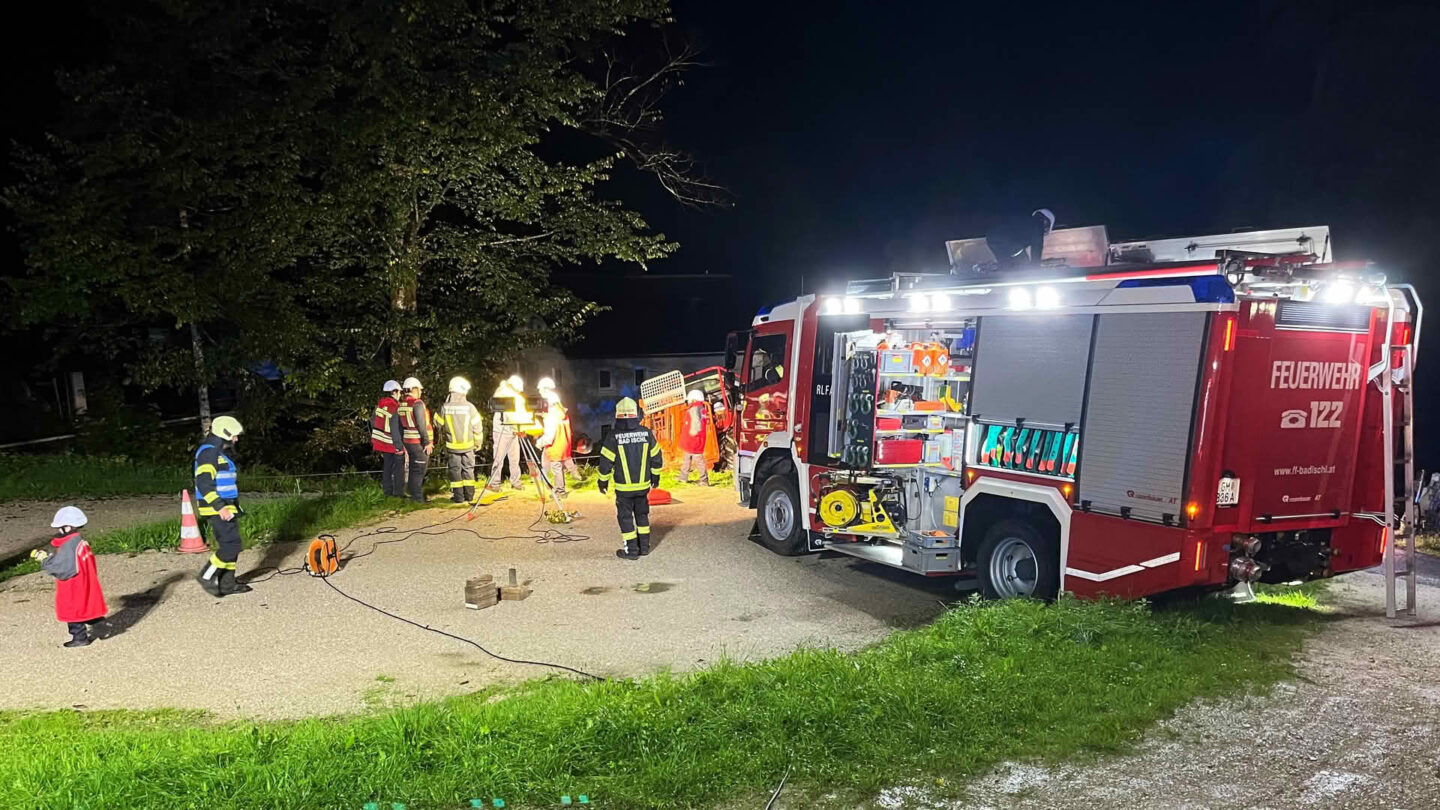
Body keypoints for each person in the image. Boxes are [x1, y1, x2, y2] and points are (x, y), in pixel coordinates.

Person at [597, 397, 663, 560]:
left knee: (625, 518)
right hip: (642, 487)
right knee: (642, 515)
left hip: (623, 489)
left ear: (617, 415)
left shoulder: (613, 437)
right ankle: (644, 547)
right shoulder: (646, 433)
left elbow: (606, 463)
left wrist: (602, 481)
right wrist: (655, 477)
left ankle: (631, 551)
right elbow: (656, 458)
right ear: (636, 414)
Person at [31, 506, 107, 647]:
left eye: (60, 527)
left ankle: (80, 637)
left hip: (73, 584)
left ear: (67, 527)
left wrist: (45, 560)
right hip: (84, 581)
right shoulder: (79, 541)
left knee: (72, 611)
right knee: (85, 604)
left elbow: (63, 569)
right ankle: (93, 618)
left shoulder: (69, 546)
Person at [194, 415, 251, 596]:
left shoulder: (218, 451)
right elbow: (203, 483)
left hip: (226, 506)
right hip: (217, 507)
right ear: (223, 433)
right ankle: (207, 575)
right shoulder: (208, 452)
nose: (236, 439)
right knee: (230, 546)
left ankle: (227, 584)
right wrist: (220, 507)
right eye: (234, 435)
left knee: (233, 543)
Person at [440, 376, 484, 503]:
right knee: (468, 470)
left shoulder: (445, 407)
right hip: (468, 446)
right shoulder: (470, 407)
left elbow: (438, 423)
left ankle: (458, 497)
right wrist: (478, 442)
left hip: (453, 446)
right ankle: (469, 495)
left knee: (455, 471)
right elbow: (477, 426)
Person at [397, 376, 433, 503]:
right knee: (419, 469)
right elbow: (421, 424)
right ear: (414, 389)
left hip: (408, 441)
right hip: (417, 442)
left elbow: (400, 426)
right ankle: (417, 498)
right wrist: (426, 442)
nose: (421, 392)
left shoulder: (401, 404)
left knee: (413, 468)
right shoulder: (417, 403)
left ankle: (414, 496)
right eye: (420, 389)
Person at [538, 389, 579, 496]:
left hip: (554, 446)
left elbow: (549, 436)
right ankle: (544, 482)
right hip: (563, 445)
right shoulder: (561, 413)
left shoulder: (551, 417)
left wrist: (539, 443)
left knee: (556, 469)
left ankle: (560, 491)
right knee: (547, 463)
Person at [488, 375, 525, 491]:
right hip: (501, 431)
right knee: (499, 458)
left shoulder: (515, 396)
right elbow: (509, 415)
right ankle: (495, 483)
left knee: (514, 458)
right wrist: (518, 428)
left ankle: (516, 482)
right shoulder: (503, 394)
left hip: (513, 431)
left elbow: (518, 414)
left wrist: (520, 427)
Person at [372, 380, 406, 497]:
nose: (400, 395)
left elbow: (373, 422)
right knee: (398, 468)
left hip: (382, 442)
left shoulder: (379, 405)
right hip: (392, 442)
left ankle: (387, 492)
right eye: (399, 392)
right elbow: (395, 428)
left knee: (387, 467)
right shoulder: (395, 406)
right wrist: (399, 446)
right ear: (394, 392)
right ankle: (399, 493)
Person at [678, 389, 711, 486]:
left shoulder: (694, 409)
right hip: (698, 439)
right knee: (687, 458)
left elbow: (696, 423)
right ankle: (683, 477)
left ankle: (703, 480)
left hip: (692, 440)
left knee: (697, 459)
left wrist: (693, 433)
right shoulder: (702, 408)